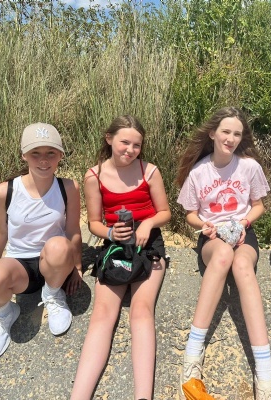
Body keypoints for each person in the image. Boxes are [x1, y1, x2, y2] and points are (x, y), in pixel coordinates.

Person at [176, 107, 271, 400]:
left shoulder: (249, 167)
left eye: (237, 134)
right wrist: (205, 225)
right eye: (226, 132)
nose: (231, 138)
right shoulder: (198, 172)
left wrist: (243, 223)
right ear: (212, 134)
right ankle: (193, 352)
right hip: (211, 235)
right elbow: (190, 214)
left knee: (242, 267)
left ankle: (264, 369)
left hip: (243, 231)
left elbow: (258, 206)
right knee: (222, 257)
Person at [71, 115, 171, 400]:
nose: (130, 149)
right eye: (124, 142)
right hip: (115, 245)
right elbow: (93, 223)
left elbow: (165, 213)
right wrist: (111, 233)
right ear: (109, 139)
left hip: (149, 245)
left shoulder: (149, 171)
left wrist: (148, 223)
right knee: (102, 315)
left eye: (136, 145)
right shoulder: (94, 176)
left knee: (141, 311)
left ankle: (143, 397)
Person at [0, 122, 82, 357]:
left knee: (58, 245)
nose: (43, 160)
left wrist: (76, 267)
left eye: (51, 153)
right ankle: (5, 313)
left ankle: (53, 295)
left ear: (60, 155)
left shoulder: (68, 187)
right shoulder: (4, 191)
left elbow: (73, 230)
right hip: (19, 264)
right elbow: (0, 233)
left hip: (54, 263)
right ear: (24, 155)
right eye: (35, 153)